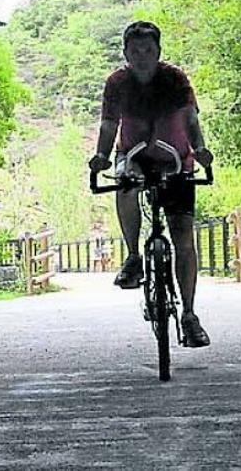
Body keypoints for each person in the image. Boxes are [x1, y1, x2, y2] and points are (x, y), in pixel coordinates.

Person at [88, 21, 214, 348]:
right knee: (125, 183)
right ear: (126, 53)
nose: (142, 56)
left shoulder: (175, 79)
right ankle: (133, 257)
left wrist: (200, 149)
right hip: (134, 155)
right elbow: (108, 124)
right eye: (135, 51)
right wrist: (101, 156)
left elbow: (190, 118)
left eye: (148, 50)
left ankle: (189, 315)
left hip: (175, 157)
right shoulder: (117, 83)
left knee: (183, 238)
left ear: (158, 52)